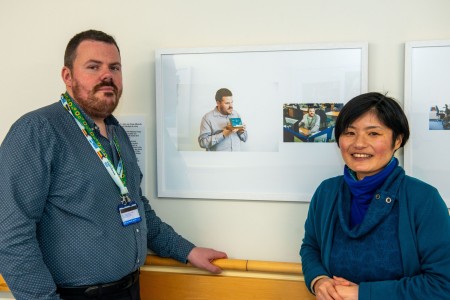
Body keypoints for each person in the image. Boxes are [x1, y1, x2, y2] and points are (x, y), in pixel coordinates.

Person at [0, 29, 227, 300]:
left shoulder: (117, 134)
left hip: (130, 289)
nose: (107, 75)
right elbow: (10, 235)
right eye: (93, 66)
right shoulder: (37, 131)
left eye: (114, 67)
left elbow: (137, 207)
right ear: (67, 76)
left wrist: (186, 251)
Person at [300, 92, 450, 300]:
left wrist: (362, 294)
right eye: (350, 133)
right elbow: (311, 247)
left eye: (373, 134)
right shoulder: (326, 192)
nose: (359, 144)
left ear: (397, 140)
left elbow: (442, 284)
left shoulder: (424, 199)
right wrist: (318, 280)